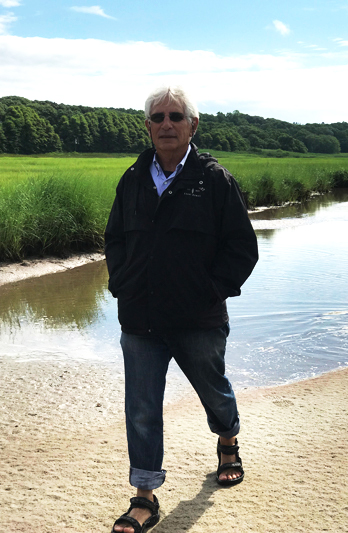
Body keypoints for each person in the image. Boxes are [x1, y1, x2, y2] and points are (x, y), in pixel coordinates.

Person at [105, 86, 258, 533]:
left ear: (194, 125)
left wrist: (210, 291)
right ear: (148, 126)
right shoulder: (132, 178)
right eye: (158, 117)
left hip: (198, 318)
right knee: (142, 406)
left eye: (175, 116)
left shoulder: (214, 180)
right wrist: (122, 284)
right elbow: (115, 239)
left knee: (214, 390)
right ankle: (144, 497)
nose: (166, 124)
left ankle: (227, 440)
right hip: (140, 318)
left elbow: (241, 248)